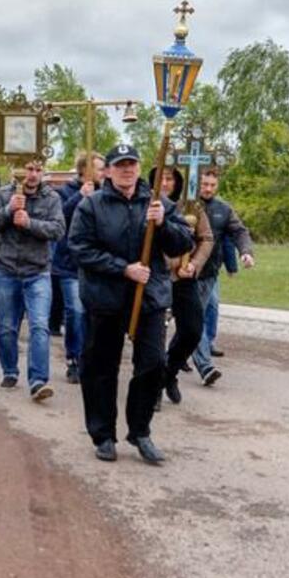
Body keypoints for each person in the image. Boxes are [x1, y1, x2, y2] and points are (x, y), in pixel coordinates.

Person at [68, 143, 195, 465]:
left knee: (152, 363)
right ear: (108, 170)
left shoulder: (158, 203)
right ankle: (104, 435)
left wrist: (164, 222)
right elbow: (80, 248)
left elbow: (184, 243)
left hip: (149, 297)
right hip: (105, 297)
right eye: (120, 164)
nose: (127, 170)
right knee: (100, 368)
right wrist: (122, 268)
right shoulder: (92, 205)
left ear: (139, 168)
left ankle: (140, 432)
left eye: (132, 164)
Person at [0, 160, 66, 402]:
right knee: (7, 327)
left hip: (38, 271)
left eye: (38, 170)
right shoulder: (4, 194)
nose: (33, 175)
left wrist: (29, 223)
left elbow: (58, 230)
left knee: (39, 325)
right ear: (17, 171)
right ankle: (9, 369)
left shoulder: (52, 199)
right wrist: (8, 210)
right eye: (29, 169)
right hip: (6, 270)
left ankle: (38, 380)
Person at [151, 165, 214, 406]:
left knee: (192, 330)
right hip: (156, 279)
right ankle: (153, 388)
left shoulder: (190, 207)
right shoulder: (146, 205)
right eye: (160, 179)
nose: (165, 184)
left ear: (177, 182)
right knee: (156, 335)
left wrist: (195, 264)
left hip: (183, 277)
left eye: (169, 179)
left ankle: (169, 372)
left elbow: (206, 237)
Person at [52, 153, 105, 383]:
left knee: (94, 315)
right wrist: (79, 197)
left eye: (104, 169)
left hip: (96, 265)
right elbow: (59, 219)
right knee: (75, 312)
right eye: (99, 169)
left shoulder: (106, 193)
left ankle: (90, 357)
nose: (103, 173)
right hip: (69, 264)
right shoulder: (64, 192)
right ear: (85, 170)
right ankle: (73, 358)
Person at [195, 168, 254, 367]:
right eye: (204, 184)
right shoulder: (185, 205)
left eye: (212, 185)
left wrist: (245, 252)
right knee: (195, 316)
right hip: (188, 271)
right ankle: (204, 365)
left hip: (211, 271)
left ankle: (200, 345)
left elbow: (239, 231)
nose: (208, 189)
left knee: (210, 307)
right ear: (197, 182)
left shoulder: (224, 209)